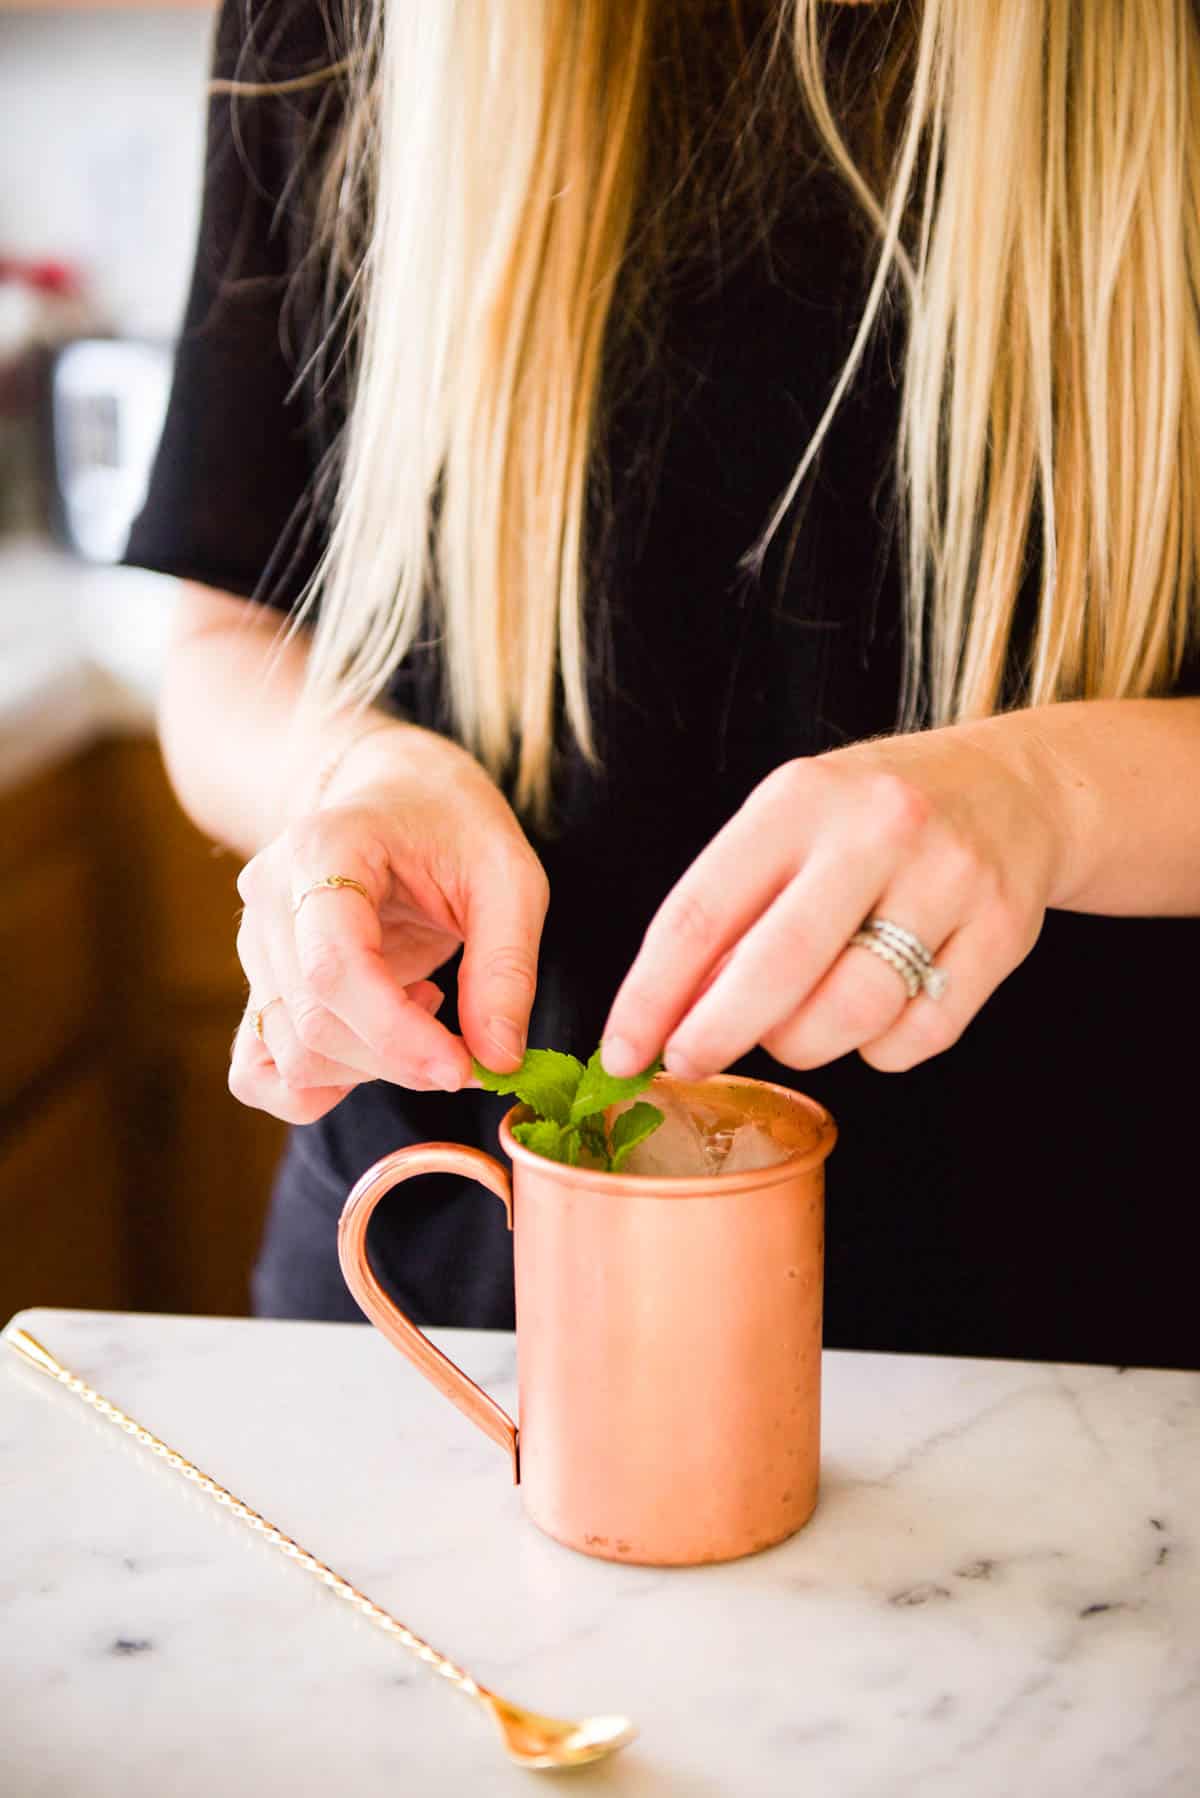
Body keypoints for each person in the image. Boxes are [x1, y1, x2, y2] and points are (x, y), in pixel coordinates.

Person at [127, 0, 1200, 1370]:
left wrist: (1050, 800)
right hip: (438, 1305)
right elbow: (225, 646)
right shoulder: (342, 25)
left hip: (1076, 1325)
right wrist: (347, 778)